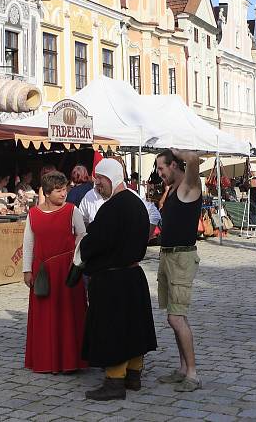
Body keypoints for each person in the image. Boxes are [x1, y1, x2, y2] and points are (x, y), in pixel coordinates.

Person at [74, 159, 157, 400]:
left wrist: (83, 247)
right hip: (132, 275)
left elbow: (97, 241)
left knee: (114, 330)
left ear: (111, 177)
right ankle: (133, 375)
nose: (96, 184)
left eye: (100, 179)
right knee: (133, 327)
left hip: (113, 280)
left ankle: (115, 381)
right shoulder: (136, 204)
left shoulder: (113, 208)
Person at [22, 171, 88, 374]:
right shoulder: (33, 214)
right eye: (59, 190)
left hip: (67, 271)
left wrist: (76, 255)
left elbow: (83, 234)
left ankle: (70, 361)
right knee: (45, 317)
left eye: (65, 189)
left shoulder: (72, 210)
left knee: (69, 314)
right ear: (48, 192)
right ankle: (46, 360)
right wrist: (26, 269)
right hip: (43, 271)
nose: (63, 194)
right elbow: (28, 242)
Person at [155, 149, 204, 392]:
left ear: (173, 165)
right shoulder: (174, 189)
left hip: (182, 257)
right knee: (174, 316)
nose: (159, 173)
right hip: (169, 255)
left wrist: (176, 150)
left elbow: (194, 159)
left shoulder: (189, 186)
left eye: (162, 168)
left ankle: (193, 374)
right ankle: (183, 368)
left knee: (176, 317)